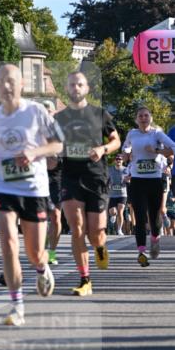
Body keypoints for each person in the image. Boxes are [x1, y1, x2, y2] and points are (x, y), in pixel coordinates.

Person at [0, 64, 62, 327]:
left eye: (11, 80)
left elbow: (58, 143)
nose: (7, 85)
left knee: (34, 252)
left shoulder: (35, 111)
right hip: (5, 187)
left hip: (34, 189)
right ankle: (17, 305)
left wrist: (34, 153)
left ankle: (41, 268)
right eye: (2, 81)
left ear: (21, 84)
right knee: (8, 242)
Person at [56, 71, 121, 296]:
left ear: (87, 89)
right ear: (67, 89)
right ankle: (85, 279)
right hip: (70, 177)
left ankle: (100, 246)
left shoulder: (99, 114)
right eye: (72, 84)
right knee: (77, 229)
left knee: (96, 234)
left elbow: (116, 141)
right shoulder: (59, 118)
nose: (75, 88)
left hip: (96, 177)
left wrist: (103, 149)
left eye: (80, 84)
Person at [121, 106, 174, 265]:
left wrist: (156, 150)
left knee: (154, 216)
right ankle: (141, 252)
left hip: (154, 181)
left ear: (150, 118)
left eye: (146, 115)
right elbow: (125, 148)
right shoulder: (132, 133)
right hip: (137, 181)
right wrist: (126, 154)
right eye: (140, 116)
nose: (143, 118)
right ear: (137, 119)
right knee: (140, 215)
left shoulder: (157, 134)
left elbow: (172, 149)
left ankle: (155, 239)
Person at [42, 99, 63, 265]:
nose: (46, 114)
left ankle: (52, 253)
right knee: (40, 217)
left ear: (54, 113)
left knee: (56, 216)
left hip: (57, 178)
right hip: (38, 176)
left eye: (49, 111)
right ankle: (40, 250)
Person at [107, 154, 129, 236]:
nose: (118, 160)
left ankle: (119, 230)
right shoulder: (110, 170)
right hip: (112, 194)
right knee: (113, 212)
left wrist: (128, 180)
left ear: (122, 161)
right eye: (117, 159)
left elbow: (130, 180)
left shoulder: (126, 170)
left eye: (120, 159)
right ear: (115, 160)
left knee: (120, 211)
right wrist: (107, 185)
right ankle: (113, 215)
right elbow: (107, 180)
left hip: (122, 194)